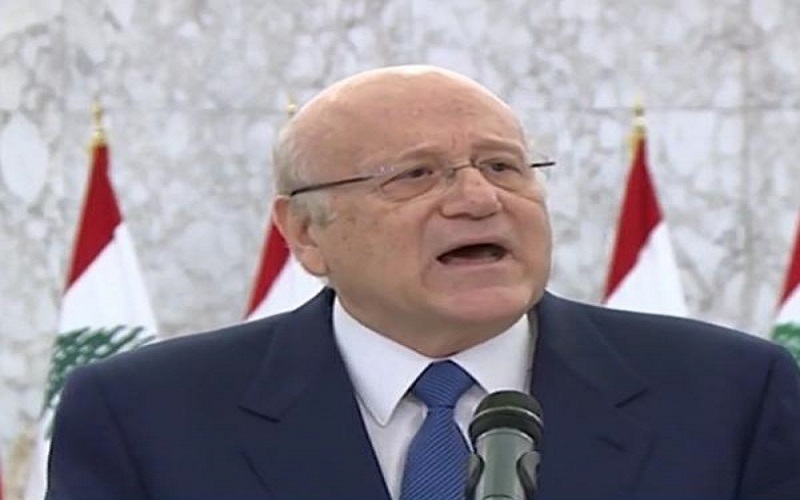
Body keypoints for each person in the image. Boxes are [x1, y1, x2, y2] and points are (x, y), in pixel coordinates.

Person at [46, 65, 800, 500]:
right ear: (306, 231)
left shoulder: (729, 393)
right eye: (414, 175)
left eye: (503, 166)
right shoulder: (145, 415)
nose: (478, 198)